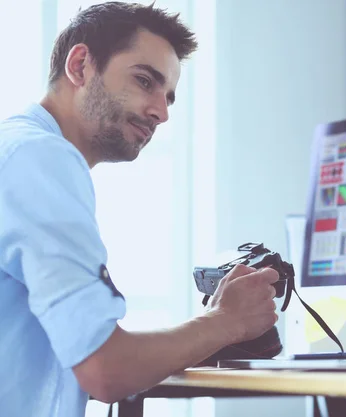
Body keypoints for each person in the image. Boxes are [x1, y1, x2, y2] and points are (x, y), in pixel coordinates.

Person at [0, 3, 279, 416]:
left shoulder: (17, 148)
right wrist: (226, 322)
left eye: (168, 97)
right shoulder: (40, 159)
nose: (161, 113)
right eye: (144, 80)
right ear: (80, 66)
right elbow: (105, 370)